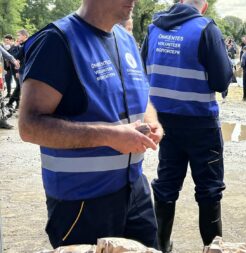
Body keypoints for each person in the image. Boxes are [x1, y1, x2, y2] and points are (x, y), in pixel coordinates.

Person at [19, 0, 162, 249]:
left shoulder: (125, 39)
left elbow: (142, 94)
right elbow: (29, 126)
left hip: (134, 191)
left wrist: (152, 120)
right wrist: (108, 135)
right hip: (81, 202)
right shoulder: (56, 41)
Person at [141, 0, 232, 251]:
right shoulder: (205, 29)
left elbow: (142, 72)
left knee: (166, 186)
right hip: (201, 123)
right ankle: (212, 248)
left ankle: (160, 246)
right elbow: (221, 80)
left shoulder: (153, 29)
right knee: (209, 191)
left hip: (164, 123)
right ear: (202, 6)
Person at [6, 29, 28, 110]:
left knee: (21, 88)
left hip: (23, 70)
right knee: (20, 88)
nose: (17, 37)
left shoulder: (26, 44)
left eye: (19, 35)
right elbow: (15, 56)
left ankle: (14, 104)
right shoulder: (22, 45)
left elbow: (18, 57)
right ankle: (15, 104)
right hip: (20, 70)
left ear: (24, 36)